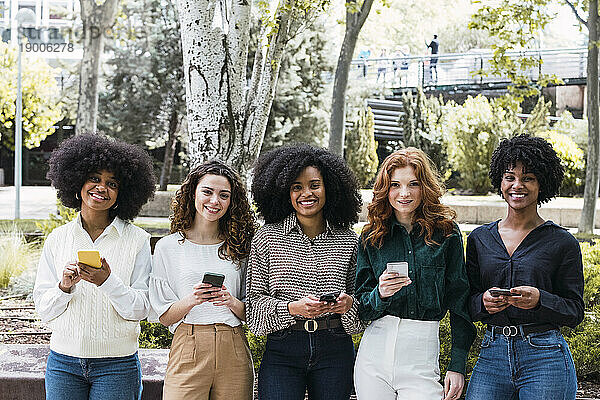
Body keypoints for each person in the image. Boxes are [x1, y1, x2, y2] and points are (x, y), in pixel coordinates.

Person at [33, 133, 156, 400]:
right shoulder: (57, 239)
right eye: (95, 179)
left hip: (117, 365)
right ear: (77, 183)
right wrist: (64, 287)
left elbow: (142, 308)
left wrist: (107, 282)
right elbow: (43, 309)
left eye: (112, 183)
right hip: (63, 364)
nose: (102, 187)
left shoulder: (137, 241)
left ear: (123, 193)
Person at [465, 135, 584, 400]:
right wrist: (483, 302)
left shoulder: (562, 242)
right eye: (510, 177)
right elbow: (466, 303)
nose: (517, 185)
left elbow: (575, 311)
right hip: (492, 353)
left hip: (546, 357)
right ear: (500, 181)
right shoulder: (479, 239)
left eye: (528, 178)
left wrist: (540, 300)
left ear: (542, 184)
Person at [354, 148, 475, 400]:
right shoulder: (370, 237)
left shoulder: (447, 233)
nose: (404, 193)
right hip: (373, 355)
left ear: (425, 187)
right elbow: (362, 308)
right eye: (395, 185)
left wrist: (457, 364)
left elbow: (460, 300)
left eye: (413, 184)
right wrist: (381, 293)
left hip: (421, 353)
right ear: (385, 189)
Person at [247, 144, 364, 400]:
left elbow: (360, 313)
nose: (306, 193)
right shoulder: (267, 238)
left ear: (329, 187)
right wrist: (292, 308)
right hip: (283, 348)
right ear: (284, 192)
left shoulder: (348, 241)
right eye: (296, 187)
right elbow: (253, 308)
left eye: (314, 184)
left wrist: (348, 305)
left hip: (335, 347)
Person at [149, 160, 257, 400]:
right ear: (192, 193)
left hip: (233, 346)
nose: (214, 201)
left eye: (224, 195)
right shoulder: (168, 247)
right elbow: (165, 317)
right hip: (188, 344)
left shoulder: (240, 248)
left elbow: (253, 313)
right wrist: (193, 299)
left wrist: (230, 301)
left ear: (232, 201)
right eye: (207, 192)